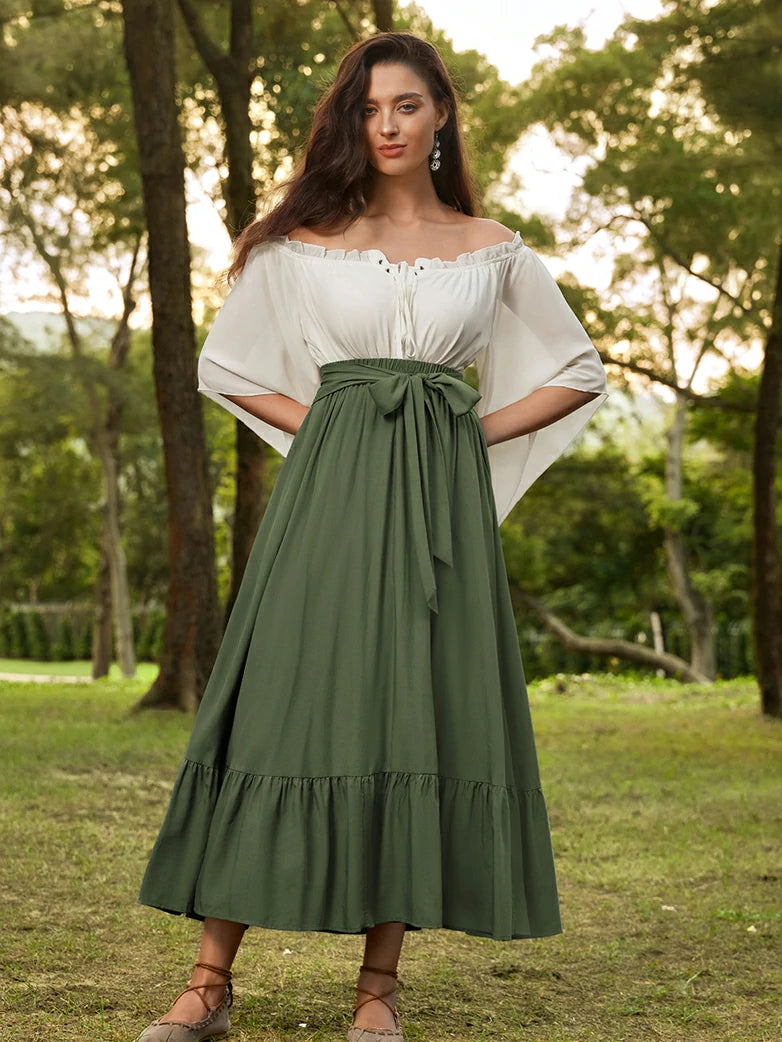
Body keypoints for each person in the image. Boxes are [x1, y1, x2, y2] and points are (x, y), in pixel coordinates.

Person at [135, 29, 607, 1042]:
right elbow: (224, 367)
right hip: (330, 499)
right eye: (367, 108)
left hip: (438, 509)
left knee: (411, 712)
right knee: (278, 706)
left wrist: (463, 434)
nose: (386, 125)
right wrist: (336, 428)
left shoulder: (491, 247)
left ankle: (377, 990)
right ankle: (208, 984)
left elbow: (578, 370)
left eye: (405, 105)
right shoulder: (302, 241)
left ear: (440, 116)